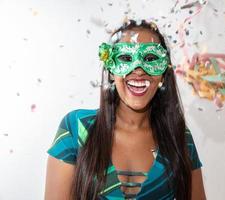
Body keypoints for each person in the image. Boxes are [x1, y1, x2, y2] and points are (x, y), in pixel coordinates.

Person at [45, 19, 206, 200]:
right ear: (111, 70)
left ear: (164, 71)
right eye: (126, 58)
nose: (138, 70)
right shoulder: (76, 128)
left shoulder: (179, 137)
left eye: (150, 58)